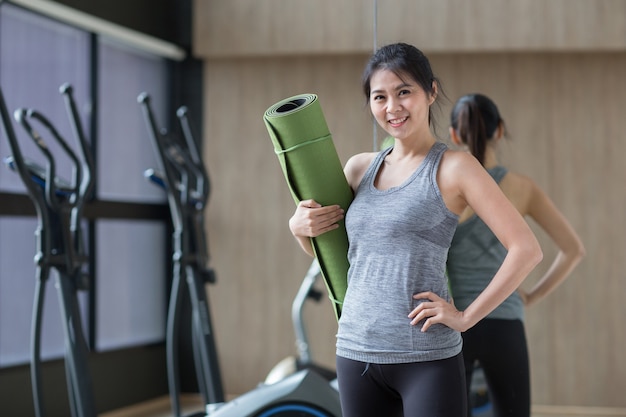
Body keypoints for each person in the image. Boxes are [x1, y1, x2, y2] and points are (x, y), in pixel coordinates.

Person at [288, 43, 543, 417]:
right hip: (355, 350)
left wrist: (465, 317)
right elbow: (342, 256)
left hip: (425, 359)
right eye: (380, 97)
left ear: (431, 92)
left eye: (404, 92)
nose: (392, 107)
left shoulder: (456, 168)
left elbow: (526, 248)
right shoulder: (359, 169)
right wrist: (299, 229)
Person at [447, 93, 586, 417]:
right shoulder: (522, 187)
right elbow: (573, 249)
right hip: (505, 321)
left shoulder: (446, 185)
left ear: (454, 135)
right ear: (500, 130)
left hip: (456, 325)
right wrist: (531, 297)